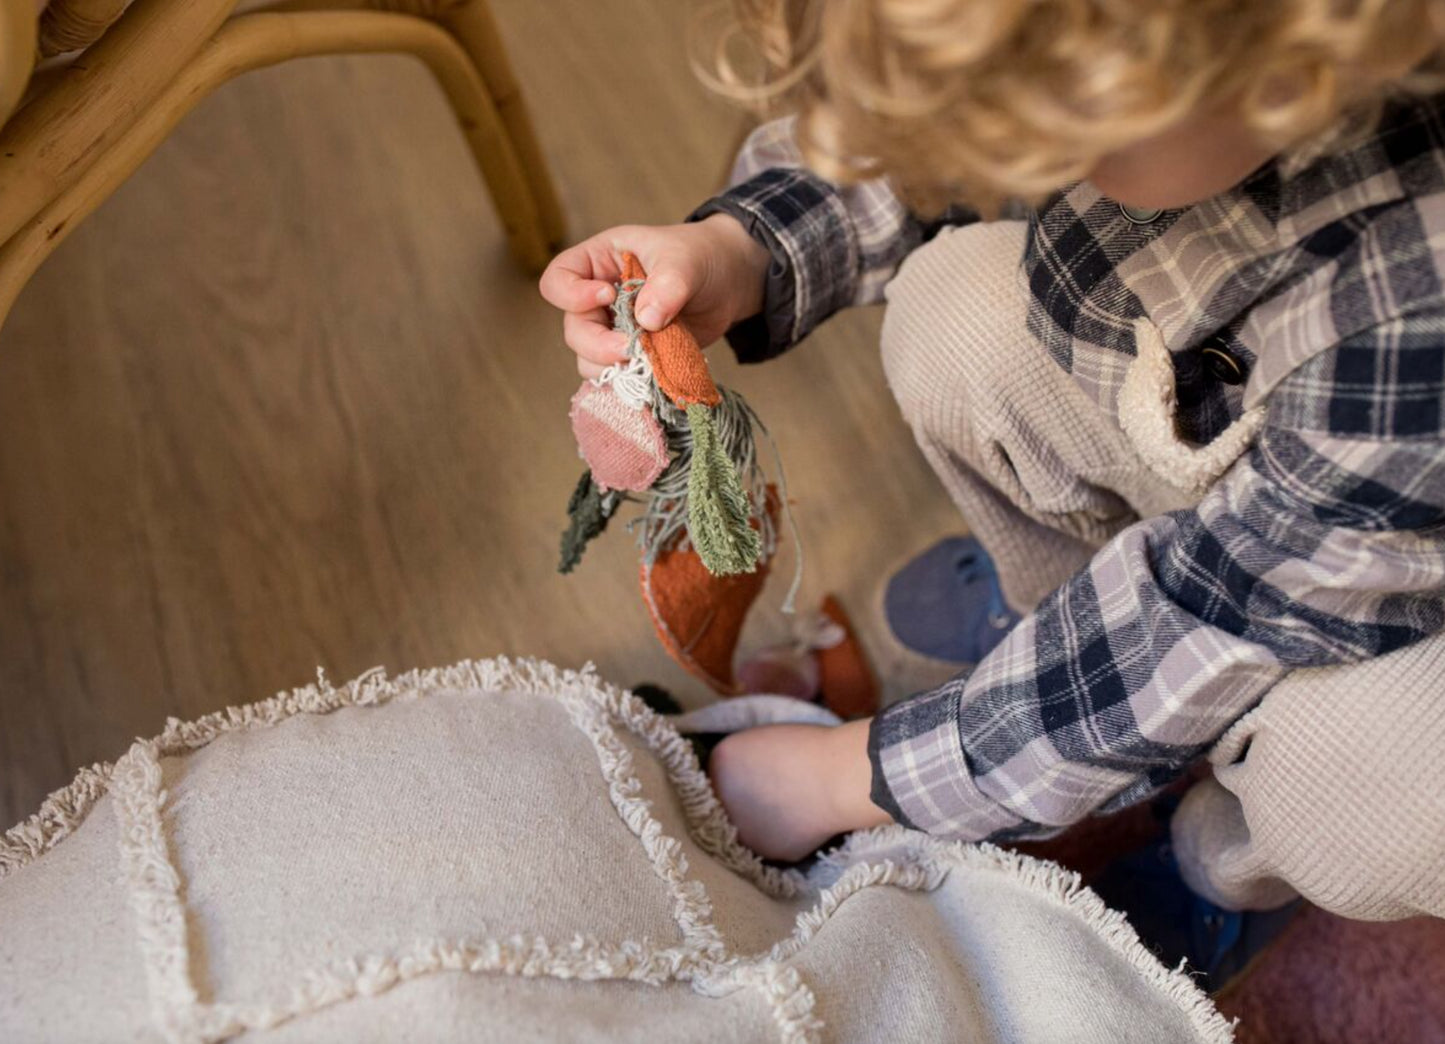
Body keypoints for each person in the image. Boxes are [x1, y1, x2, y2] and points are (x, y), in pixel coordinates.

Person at [538, 0, 1445, 934]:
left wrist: (845, 778)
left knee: (1363, 794)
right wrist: (739, 250)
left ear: (1282, 63)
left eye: (1069, 144)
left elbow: (1209, 617)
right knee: (954, 313)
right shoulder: (1175, 82)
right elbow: (950, 146)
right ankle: (1047, 651)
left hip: (1385, 602)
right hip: (1268, 450)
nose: (1032, 171)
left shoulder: (1420, 302)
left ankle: (1224, 851)